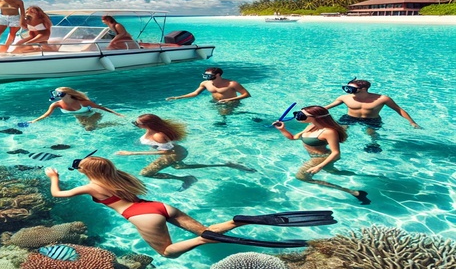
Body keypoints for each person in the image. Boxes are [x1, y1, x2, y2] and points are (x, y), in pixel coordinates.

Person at [45, 154, 336, 257]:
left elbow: (58, 195)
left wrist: (53, 177)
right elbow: (101, 169)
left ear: (87, 171)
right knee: (211, 229)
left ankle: (204, 239)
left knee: (169, 253)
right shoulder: (121, 176)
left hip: (140, 216)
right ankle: (241, 220)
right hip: (160, 206)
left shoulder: (89, 185)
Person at [115, 114, 255, 191]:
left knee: (145, 173)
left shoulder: (158, 135)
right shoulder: (150, 131)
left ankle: (186, 179)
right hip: (176, 153)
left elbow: (165, 153)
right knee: (180, 167)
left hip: (174, 154)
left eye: (137, 123)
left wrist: (131, 153)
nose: (135, 125)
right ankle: (227, 165)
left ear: (148, 125)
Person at [272, 105, 371, 205]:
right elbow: (293, 137)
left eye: (301, 115)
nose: (297, 116)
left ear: (316, 117)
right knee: (333, 172)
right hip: (317, 157)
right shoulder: (311, 126)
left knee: (301, 177)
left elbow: (336, 153)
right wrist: (282, 129)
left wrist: (319, 166)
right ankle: (366, 176)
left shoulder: (329, 132)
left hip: (321, 158)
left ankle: (355, 193)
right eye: (297, 113)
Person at [325, 78, 420, 152]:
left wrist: (412, 122)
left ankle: (373, 144)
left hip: (371, 119)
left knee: (371, 133)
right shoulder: (344, 98)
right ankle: (334, 147)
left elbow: (398, 109)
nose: (348, 90)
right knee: (339, 132)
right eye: (347, 87)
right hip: (350, 118)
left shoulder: (382, 99)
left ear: (363, 89)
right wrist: (312, 113)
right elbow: (327, 107)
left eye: (351, 88)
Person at [166, 67, 250, 117]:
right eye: (205, 75)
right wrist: (177, 97)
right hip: (215, 102)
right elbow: (195, 93)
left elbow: (246, 94)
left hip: (231, 102)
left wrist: (229, 100)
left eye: (208, 75)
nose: (206, 77)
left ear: (217, 75)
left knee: (225, 115)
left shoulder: (232, 84)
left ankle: (248, 115)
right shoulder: (205, 83)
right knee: (221, 114)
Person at [30, 87, 124, 131]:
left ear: (69, 94)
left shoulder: (82, 102)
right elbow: (47, 114)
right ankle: (112, 124)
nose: (57, 96)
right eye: (56, 93)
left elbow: (101, 108)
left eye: (60, 94)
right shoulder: (56, 104)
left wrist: (118, 114)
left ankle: (113, 123)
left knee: (89, 128)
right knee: (85, 127)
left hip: (93, 114)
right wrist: (34, 121)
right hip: (80, 117)